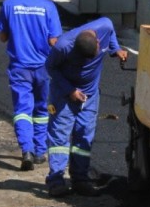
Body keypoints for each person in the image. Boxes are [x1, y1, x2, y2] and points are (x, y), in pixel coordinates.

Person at [45, 18, 127, 197]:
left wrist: (115, 49)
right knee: (60, 137)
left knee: (84, 136)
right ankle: (56, 181)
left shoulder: (105, 26)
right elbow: (50, 67)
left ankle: (80, 179)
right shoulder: (63, 46)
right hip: (64, 96)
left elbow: (112, 34)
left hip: (90, 96)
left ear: (98, 41)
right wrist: (70, 90)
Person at [0, 0, 63, 171]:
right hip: (43, 67)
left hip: (19, 67)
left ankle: (26, 150)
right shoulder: (49, 6)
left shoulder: (9, 4)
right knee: (41, 109)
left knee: (22, 110)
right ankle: (40, 151)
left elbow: (2, 37)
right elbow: (54, 40)